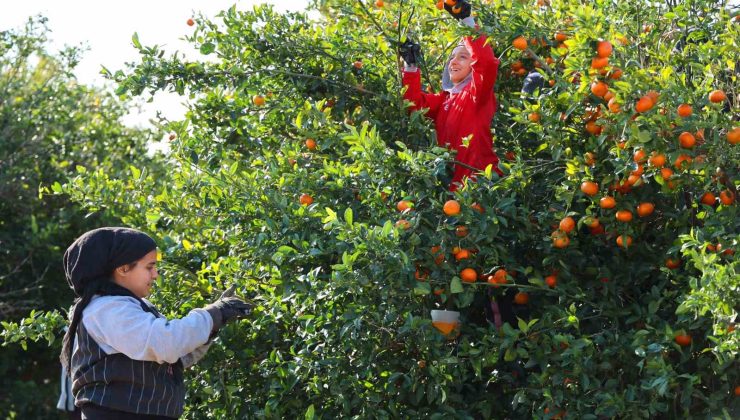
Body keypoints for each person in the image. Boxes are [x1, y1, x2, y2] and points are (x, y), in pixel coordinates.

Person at [59, 227, 252, 419]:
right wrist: (213, 314)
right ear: (123, 268)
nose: (155, 275)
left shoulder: (131, 306)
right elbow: (166, 343)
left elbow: (174, 357)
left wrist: (215, 322)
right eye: (149, 267)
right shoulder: (107, 309)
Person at [399, 0, 502, 191]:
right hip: (452, 191)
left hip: (480, 186)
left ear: (473, 66)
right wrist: (410, 66)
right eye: (452, 57)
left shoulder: (477, 94)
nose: (453, 62)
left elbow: (486, 63)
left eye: (463, 56)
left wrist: (467, 22)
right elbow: (412, 106)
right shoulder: (445, 99)